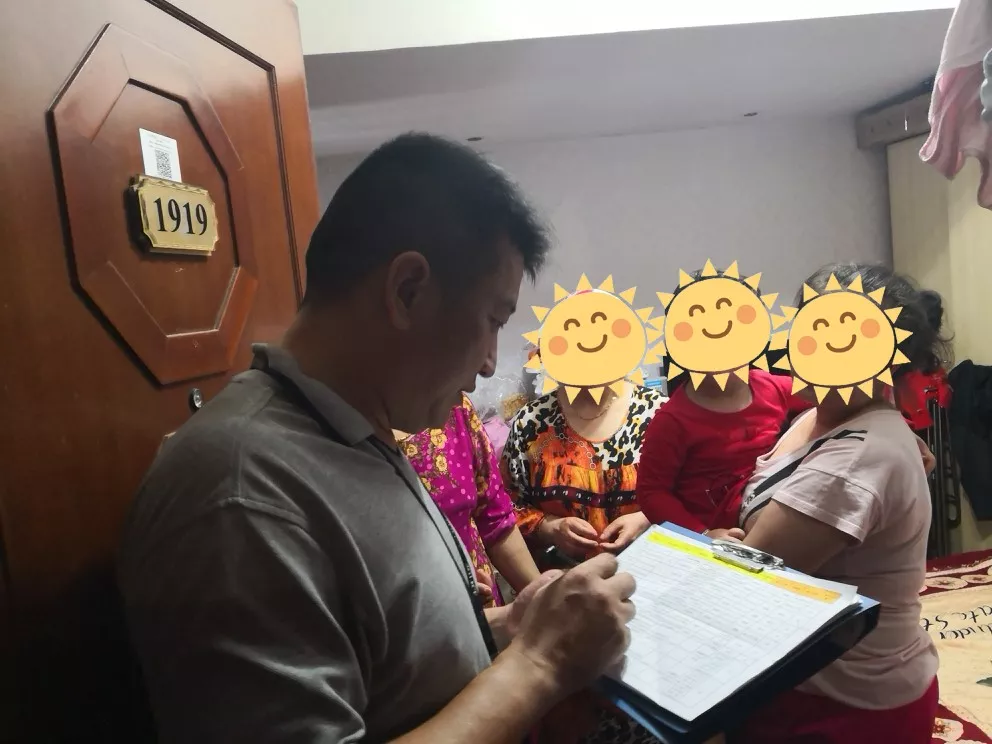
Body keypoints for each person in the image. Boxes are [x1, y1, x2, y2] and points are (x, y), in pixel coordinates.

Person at [118, 133, 637, 744]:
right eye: (493, 320)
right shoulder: (240, 494)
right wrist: (541, 664)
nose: (490, 364)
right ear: (407, 291)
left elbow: (387, 664)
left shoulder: (356, 435)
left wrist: (510, 627)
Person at [729, 263, 940, 743]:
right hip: (816, 678)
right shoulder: (819, 416)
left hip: (843, 702)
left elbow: (749, 582)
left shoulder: (858, 457)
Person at [637, 268, 812, 537]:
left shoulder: (776, 387)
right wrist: (703, 534)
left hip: (767, 525)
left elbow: (827, 398)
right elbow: (652, 492)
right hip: (710, 541)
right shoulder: (673, 420)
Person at [395, 393, 539, 607]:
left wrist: (545, 600)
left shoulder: (452, 404)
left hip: (484, 608)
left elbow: (494, 518)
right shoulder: (346, 447)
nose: (475, 383)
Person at [502, 379, 666, 560]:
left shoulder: (658, 411)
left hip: (650, 568)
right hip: (562, 572)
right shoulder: (531, 421)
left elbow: (686, 494)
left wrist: (647, 519)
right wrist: (549, 527)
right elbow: (505, 507)